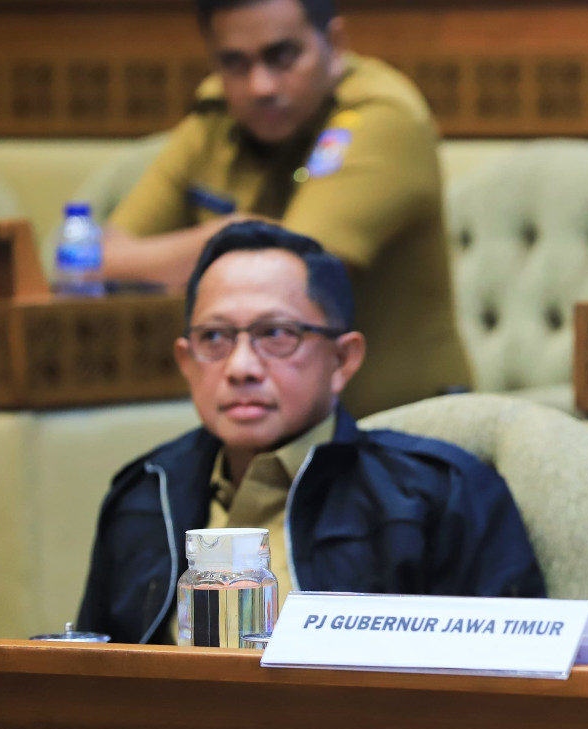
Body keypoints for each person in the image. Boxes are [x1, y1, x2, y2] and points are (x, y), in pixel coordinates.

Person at [76, 222, 543, 644]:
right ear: (186, 361)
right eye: (214, 338)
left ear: (343, 361)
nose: (241, 367)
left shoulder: (440, 495)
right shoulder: (143, 495)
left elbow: (510, 688)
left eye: (276, 334)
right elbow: (93, 687)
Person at [101, 0, 471, 417]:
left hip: (407, 431)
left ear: (334, 43)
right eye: (235, 63)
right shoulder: (216, 117)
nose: (260, 85)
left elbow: (291, 282)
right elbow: (94, 259)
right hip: (274, 428)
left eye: (282, 56)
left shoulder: (383, 118)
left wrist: (200, 253)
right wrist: (228, 235)